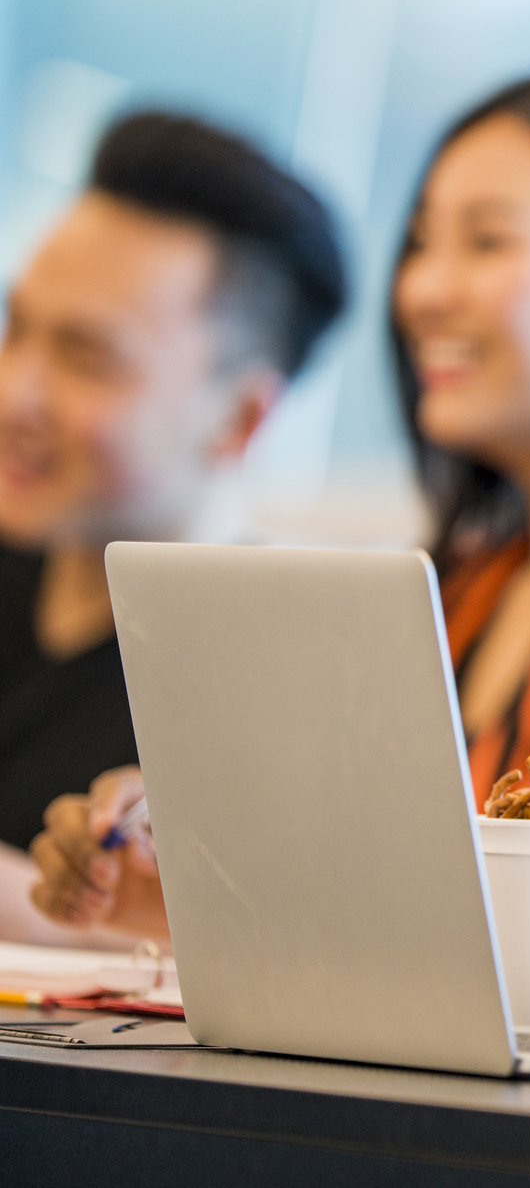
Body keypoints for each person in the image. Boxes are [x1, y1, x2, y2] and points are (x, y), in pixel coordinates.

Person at [29, 73, 530, 940]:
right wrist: (162, 876)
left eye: (487, 243)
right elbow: (334, 908)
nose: (423, 290)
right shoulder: (463, 586)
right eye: (420, 243)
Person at [0, 111, 346, 943]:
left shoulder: (294, 680)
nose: (17, 395)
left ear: (238, 417)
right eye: (15, 330)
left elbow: (277, 964)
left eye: (87, 358)